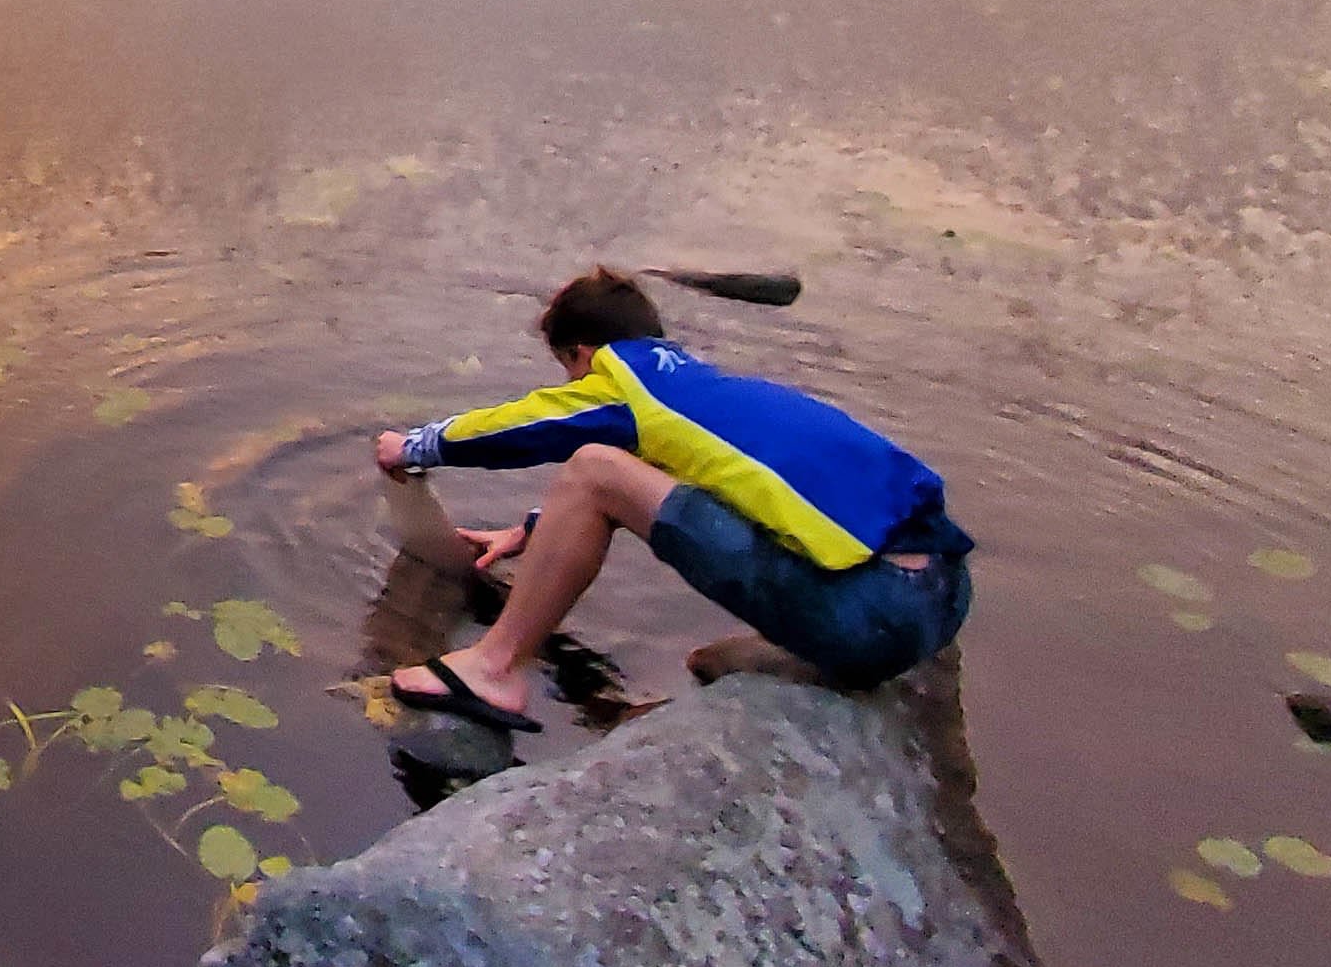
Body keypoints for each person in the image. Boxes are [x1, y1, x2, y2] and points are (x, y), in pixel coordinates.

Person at [369, 267, 969, 727]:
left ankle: (493, 670)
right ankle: (828, 659)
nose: (570, 386)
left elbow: (521, 429)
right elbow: (674, 478)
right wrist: (532, 530)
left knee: (591, 467)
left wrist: (414, 447)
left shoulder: (619, 377)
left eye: (567, 371)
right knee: (710, 663)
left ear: (582, 353)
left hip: (873, 610)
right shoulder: (696, 388)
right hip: (939, 600)